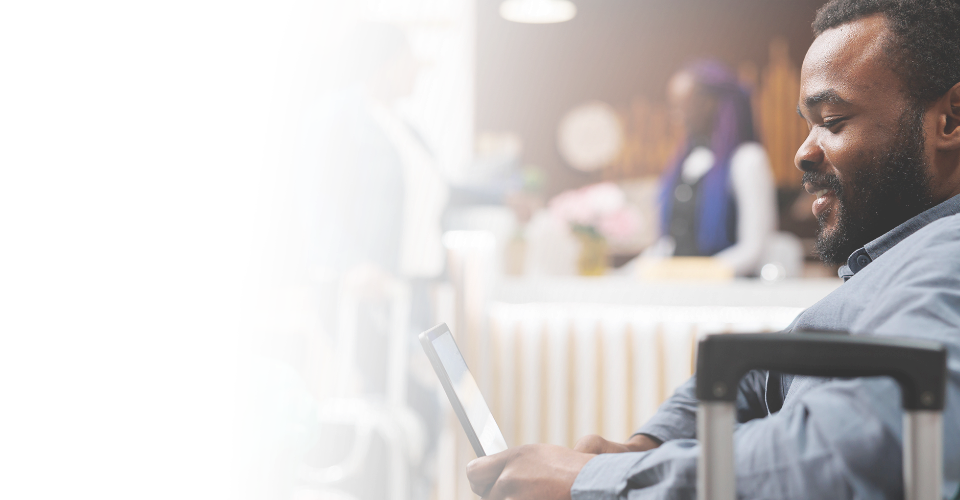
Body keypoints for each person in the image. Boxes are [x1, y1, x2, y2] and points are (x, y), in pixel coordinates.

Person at [465, 0, 960, 498]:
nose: (803, 152)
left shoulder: (947, 259)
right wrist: (644, 448)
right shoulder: (892, 264)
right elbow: (760, 373)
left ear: (951, 120)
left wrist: (590, 481)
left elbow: (857, 451)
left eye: (832, 121)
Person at [294, 21, 533, 467]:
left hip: (412, 292)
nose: (417, 73)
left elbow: (443, 188)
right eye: (409, 62)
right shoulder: (335, 112)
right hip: (368, 289)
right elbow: (316, 196)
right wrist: (350, 264)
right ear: (383, 64)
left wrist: (503, 200)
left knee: (434, 403)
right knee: (417, 402)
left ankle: (411, 487)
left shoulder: (406, 130)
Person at [640, 58, 777, 277]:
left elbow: (753, 249)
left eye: (681, 107)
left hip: (724, 297)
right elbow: (670, 245)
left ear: (709, 104)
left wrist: (694, 275)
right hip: (680, 291)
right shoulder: (687, 162)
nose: (675, 118)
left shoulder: (747, 160)